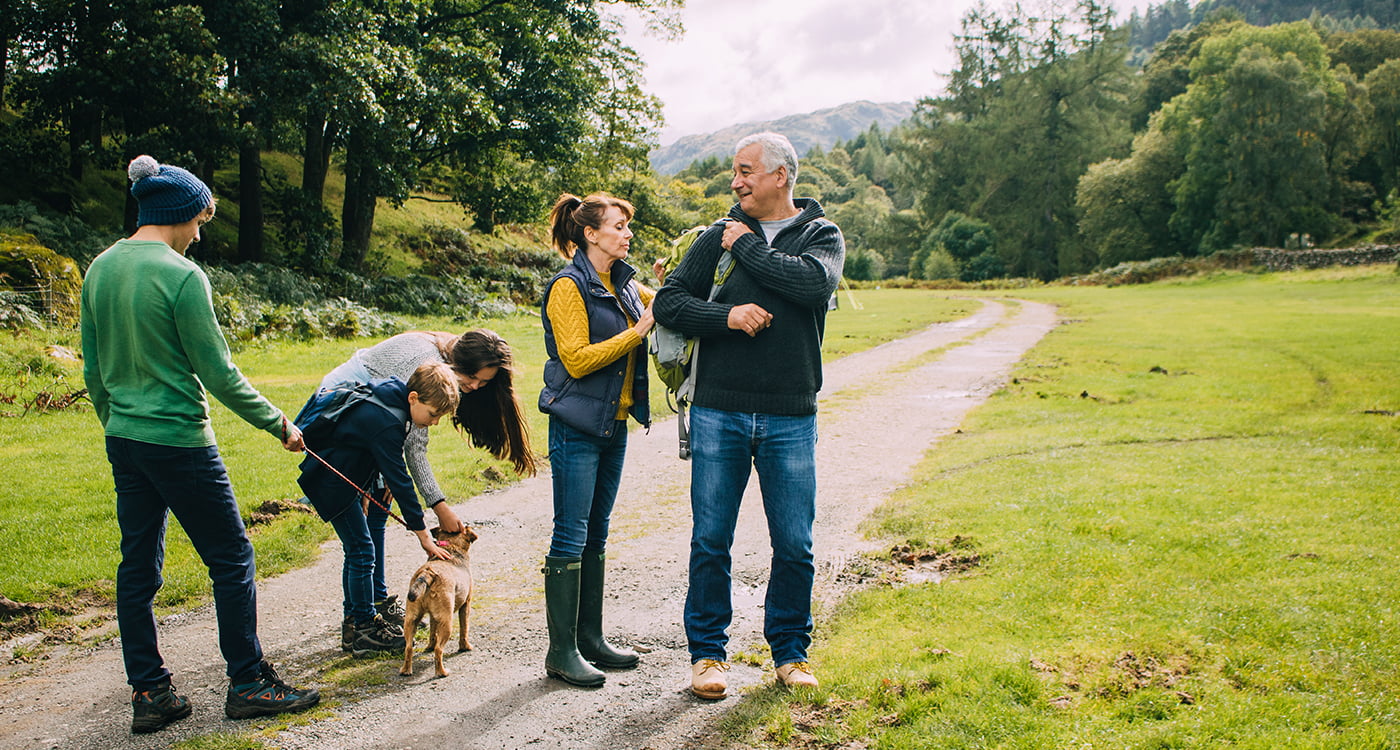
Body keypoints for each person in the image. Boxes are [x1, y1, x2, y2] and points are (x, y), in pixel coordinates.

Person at [80, 155, 320, 734]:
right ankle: (249, 682)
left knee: (137, 566)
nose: (199, 234)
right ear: (180, 214)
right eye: (200, 222)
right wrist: (279, 423)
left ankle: (150, 692)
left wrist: (116, 419)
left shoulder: (100, 268)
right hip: (180, 440)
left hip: (125, 439)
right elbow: (218, 373)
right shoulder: (181, 275)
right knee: (232, 557)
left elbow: (92, 369)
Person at [653, 133, 845, 699]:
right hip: (719, 410)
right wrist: (728, 316)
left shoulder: (820, 236)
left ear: (780, 175)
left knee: (794, 543)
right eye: (734, 172)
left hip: (790, 414)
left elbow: (812, 286)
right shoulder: (717, 235)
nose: (735, 182)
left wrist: (750, 250)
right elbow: (669, 302)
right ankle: (708, 656)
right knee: (711, 539)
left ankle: (789, 654)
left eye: (746, 171)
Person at [315, 328, 537, 646]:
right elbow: (414, 447)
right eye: (472, 377)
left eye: (484, 383)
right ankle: (361, 619)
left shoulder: (448, 357)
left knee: (380, 508)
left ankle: (375, 602)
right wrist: (439, 506)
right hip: (346, 410)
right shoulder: (426, 366)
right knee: (365, 528)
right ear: (458, 361)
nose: (474, 387)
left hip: (374, 419)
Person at [538, 192, 655, 687]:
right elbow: (578, 360)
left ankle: (591, 638)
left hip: (614, 423)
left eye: (628, 226)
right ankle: (561, 651)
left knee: (598, 531)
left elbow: (666, 300)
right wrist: (639, 331)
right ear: (591, 233)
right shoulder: (569, 286)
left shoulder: (625, 284)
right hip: (577, 426)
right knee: (571, 531)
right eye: (619, 226)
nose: (627, 234)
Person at [297, 362, 459, 655]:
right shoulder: (388, 421)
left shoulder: (391, 401)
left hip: (342, 478)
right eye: (433, 414)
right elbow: (399, 479)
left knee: (358, 549)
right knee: (362, 550)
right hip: (332, 481)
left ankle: (354, 624)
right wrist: (424, 535)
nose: (434, 422)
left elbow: (362, 447)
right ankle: (363, 627)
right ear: (413, 398)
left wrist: (364, 490)